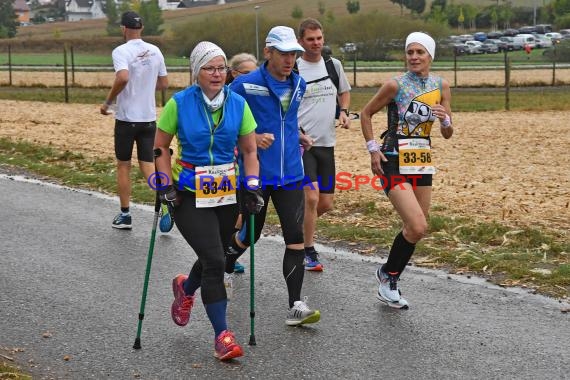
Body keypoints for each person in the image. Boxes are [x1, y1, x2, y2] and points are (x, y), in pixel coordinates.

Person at [154, 41, 263, 361]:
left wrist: (252, 187)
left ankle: (186, 289)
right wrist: (163, 186)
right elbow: (159, 147)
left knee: (213, 254)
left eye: (221, 68)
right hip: (188, 193)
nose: (217, 74)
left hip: (226, 194)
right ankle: (223, 336)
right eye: (209, 68)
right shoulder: (179, 103)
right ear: (196, 72)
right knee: (216, 260)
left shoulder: (238, 104)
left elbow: (249, 151)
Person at [226, 25, 321, 326]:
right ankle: (225, 265)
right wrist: (252, 135)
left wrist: (301, 135)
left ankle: (295, 305)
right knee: (250, 233)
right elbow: (226, 118)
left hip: (292, 172)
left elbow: (288, 122)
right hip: (257, 173)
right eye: (283, 53)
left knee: (295, 238)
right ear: (268, 52)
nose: (289, 60)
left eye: (293, 54)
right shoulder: (245, 85)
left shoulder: (299, 84)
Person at [360, 32, 453, 309]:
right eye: (410, 52)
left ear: (430, 56)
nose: (413, 57)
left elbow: (448, 132)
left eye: (419, 52)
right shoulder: (395, 85)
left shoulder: (441, 85)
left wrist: (445, 119)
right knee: (417, 224)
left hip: (422, 159)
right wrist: (373, 149)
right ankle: (389, 279)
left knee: (417, 228)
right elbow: (365, 114)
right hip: (392, 159)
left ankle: (387, 271)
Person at [100, 11, 171, 232]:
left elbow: (122, 77)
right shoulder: (155, 50)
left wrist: (109, 102)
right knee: (147, 164)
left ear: (123, 28)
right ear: (141, 29)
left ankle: (125, 215)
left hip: (127, 118)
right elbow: (164, 83)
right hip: (148, 118)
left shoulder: (121, 51)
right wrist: (145, 87)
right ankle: (164, 198)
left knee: (123, 165)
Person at [296, 18, 352, 271]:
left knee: (326, 204)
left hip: (327, 144)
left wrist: (344, 111)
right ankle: (308, 251)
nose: (316, 43)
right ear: (300, 42)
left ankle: (297, 229)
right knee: (311, 197)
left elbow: (344, 92)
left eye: (319, 38)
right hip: (303, 145)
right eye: (310, 39)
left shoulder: (333, 65)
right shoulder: (294, 69)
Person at [225, 52, 259, 274]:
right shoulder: (227, 96)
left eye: (254, 74)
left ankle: (228, 253)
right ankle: (220, 255)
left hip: (249, 165)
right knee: (233, 215)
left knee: (246, 220)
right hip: (227, 166)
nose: (251, 78)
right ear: (234, 74)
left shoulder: (257, 96)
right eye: (246, 73)